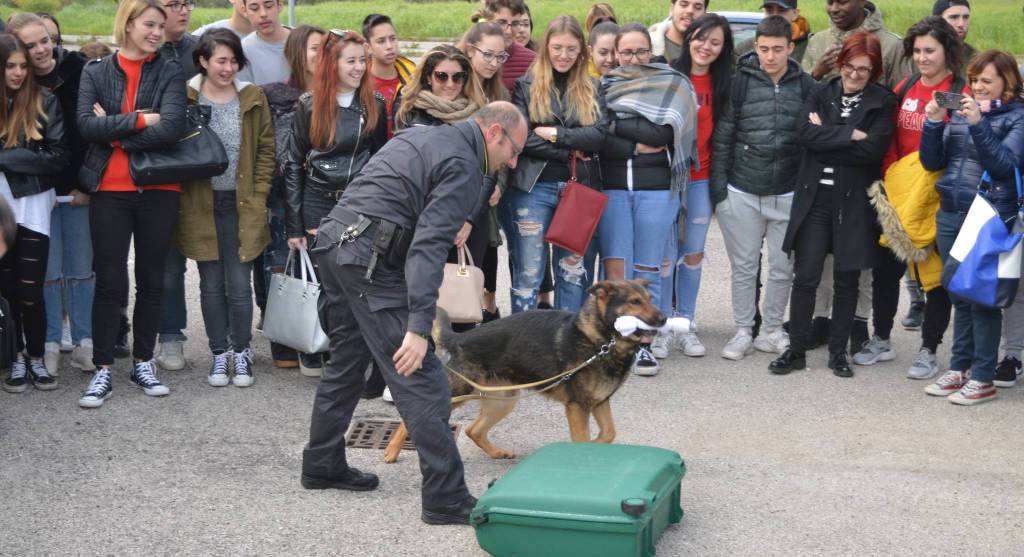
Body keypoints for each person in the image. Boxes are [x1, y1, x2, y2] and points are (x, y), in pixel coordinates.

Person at [300, 102, 527, 526]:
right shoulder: (463, 163)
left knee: (348, 361)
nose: (511, 161)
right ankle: (445, 498)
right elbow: (427, 246)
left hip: (335, 245)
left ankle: (321, 463)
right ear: (495, 132)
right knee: (422, 380)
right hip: (367, 258)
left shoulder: (423, 134)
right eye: (513, 150)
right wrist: (419, 326)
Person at [75, 0, 188, 408]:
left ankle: (143, 360)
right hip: (109, 188)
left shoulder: (171, 70)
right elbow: (87, 126)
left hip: (160, 187)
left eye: (161, 25)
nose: (157, 32)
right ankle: (103, 367)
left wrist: (116, 130)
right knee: (108, 281)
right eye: (150, 24)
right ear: (128, 23)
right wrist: (143, 119)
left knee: (152, 280)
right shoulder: (95, 71)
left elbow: (174, 126)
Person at [770, 32, 896, 377]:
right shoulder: (821, 91)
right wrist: (849, 134)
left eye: (864, 71)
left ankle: (838, 352)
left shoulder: (882, 102)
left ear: (874, 72)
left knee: (846, 280)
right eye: (850, 68)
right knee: (806, 276)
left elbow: (872, 150)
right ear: (840, 64)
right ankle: (795, 351)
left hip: (854, 202)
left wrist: (827, 134)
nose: (855, 76)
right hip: (815, 201)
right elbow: (804, 135)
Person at [860, 16, 967, 377]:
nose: (923, 58)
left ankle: (928, 350)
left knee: (933, 278)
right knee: (885, 271)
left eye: (930, 51)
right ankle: (881, 340)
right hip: (899, 195)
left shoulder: (959, 92)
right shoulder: (905, 87)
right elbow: (890, 137)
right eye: (917, 51)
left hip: (937, 198)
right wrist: (893, 177)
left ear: (946, 52)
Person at [921, 50, 1024, 405]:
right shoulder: (961, 113)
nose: (977, 87)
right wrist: (934, 123)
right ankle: (959, 366)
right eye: (974, 79)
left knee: (981, 299)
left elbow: (1003, 166)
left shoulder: (1018, 118)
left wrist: (979, 124)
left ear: (1007, 84)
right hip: (951, 210)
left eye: (986, 81)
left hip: (988, 216)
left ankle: (983, 377)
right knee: (958, 295)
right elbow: (932, 162)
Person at [711, 15, 816, 361]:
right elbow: (723, 136)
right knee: (744, 266)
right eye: (764, 48)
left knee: (782, 266)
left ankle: (771, 330)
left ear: (791, 47)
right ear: (755, 46)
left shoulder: (806, 84)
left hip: (787, 191)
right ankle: (743, 329)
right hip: (742, 190)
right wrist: (720, 193)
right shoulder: (739, 82)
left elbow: (812, 140)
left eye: (778, 49)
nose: (770, 56)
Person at [285, 30, 387, 375]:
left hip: (361, 206)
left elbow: (384, 158)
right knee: (328, 284)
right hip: (319, 203)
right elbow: (293, 164)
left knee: (361, 282)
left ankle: (355, 354)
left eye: (363, 60)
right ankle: (323, 349)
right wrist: (294, 224)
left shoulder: (376, 103)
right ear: (333, 63)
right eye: (351, 60)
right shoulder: (309, 104)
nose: (359, 67)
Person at [597, 23, 697, 376]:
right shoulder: (603, 86)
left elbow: (664, 132)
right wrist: (635, 143)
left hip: (657, 189)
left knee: (648, 269)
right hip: (611, 187)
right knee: (616, 269)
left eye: (641, 51)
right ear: (616, 53)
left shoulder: (673, 83)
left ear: (651, 52)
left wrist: (617, 126)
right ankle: (613, 342)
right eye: (627, 52)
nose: (634, 58)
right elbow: (598, 134)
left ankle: (642, 345)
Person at [179, 29, 273, 388]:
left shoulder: (252, 96)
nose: (228, 67)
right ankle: (219, 353)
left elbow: (266, 149)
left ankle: (242, 351)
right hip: (200, 204)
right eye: (221, 60)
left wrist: (261, 193)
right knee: (210, 284)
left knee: (239, 284)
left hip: (242, 203)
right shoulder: (187, 96)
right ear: (203, 61)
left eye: (234, 60)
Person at [7, 13, 93, 376]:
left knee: (81, 270)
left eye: (45, 40)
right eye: (30, 45)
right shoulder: (16, 91)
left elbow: (86, 137)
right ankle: (46, 344)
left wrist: (87, 185)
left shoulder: (80, 71)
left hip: (76, 188)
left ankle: (85, 342)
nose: (41, 49)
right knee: (43, 274)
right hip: (31, 195)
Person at [501, 15, 606, 313]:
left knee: (572, 273)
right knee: (529, 273)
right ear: (546, 47)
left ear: (582, 51)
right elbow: (520, 138)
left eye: (571, 49)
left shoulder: (593, 87)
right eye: (557, 47)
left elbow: (599, 135)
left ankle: (566, 350)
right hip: (532, 189)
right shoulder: (526, 85)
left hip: (579, 191)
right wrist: (570, 150)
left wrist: (556, 134)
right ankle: (523, 345)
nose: (564, 55)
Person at [0, 34, 65, 394]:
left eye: (23, 66)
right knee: (5, 288)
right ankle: (15, 358)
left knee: (30, 290)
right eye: (10, 66)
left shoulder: (45, 101)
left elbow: (58, 158)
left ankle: (37, 357)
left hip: (33, 205)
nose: (19, 73)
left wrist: (5, 158)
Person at [259, 24, 324, 372]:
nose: (321, 55)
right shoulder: (275, 96)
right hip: (283, 195)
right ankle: (285, 338)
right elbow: (270, 151)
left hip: (325, 198)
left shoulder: (339, 96)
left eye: (327, 48)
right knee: (283, 265)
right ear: (297, 54)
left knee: (322, 268)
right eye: (315, 48)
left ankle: (318, 336)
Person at [667, 13, 732, 359]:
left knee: (692, 254)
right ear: (688, 38)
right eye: (700, 38)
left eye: (715, 42)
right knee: (664, 256)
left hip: (702, 180)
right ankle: (661, 325)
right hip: (665, 180)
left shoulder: (725, 85)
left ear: (723, 49)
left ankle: (685, 322)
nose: (705, 46)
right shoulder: (668, 75)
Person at [154, 0, 200, 373]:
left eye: (187, 2)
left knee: (221, 262)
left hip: (202, 169)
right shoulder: (146, 53)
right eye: (173, 4)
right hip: (159, 169)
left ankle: (231, 341)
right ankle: (169, 335)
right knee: (168, 263)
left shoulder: (200, 49)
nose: (182, 10)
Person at [458, 22, 513, 322]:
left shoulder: (499, 91)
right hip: (459, 188)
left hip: (489, 186)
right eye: (487, 55)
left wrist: (500, 184)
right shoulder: (454, 84)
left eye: (500, 56)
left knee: (487, 251)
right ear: (469, 50)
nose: (494, 63)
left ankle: (486, 313)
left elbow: (507, 144)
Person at [803, 1, 908, 91]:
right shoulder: (817, 41)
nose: (834, 9)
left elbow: (904, 96)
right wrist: (816, 73)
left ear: (862, 1)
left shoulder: (892, 45)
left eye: (842, 2)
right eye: (830, 2)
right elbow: (797, 93)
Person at [362, 14, 416, 138]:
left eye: (392, 38)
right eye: (381, 41)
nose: (389, 46)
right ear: (368, 47)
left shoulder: (414, 77)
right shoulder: (358, 82)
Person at [471, 0, 535, 92]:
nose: (509, 31)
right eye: (502, 22)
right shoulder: (466, 56)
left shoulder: (533, 61)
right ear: (487, 21)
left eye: (515, 23)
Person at [734, 0, 812, 64]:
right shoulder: (744, 49)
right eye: (769, 11)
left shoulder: (812, 47)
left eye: (781, 10)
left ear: (795, 13)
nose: (775, 15)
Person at [236, 0, 290, 85]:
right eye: (254, 8)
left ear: (279, 4)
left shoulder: (305, 41)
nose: (263, 14)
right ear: (244, 11)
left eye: (268, 6)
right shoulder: (242, 51)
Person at [649, 0, 707, 64]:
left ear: (704, 14)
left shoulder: (709, 50)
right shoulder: (648, 46)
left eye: (698, 7)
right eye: (683, 4)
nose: (690, 11)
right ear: (672, 9)